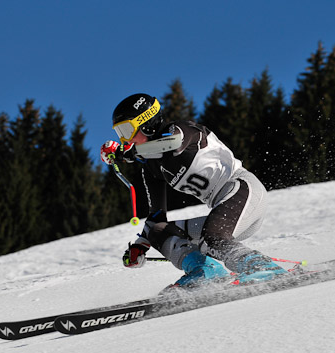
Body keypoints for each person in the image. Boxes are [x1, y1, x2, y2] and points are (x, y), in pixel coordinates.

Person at [100, 93, 287, 289]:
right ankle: (206, 271)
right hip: (224, 213)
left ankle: (260, 267)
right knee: (156, 231)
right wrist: (140, 245)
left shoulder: (181, 130)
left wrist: (127, 153)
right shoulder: (151, 168)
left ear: (146, 123)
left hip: (243, 190)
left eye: (127, 130)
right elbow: (156, 217)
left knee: (212, 236)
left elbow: (172, 145)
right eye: (120, 133)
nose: (124, 139)